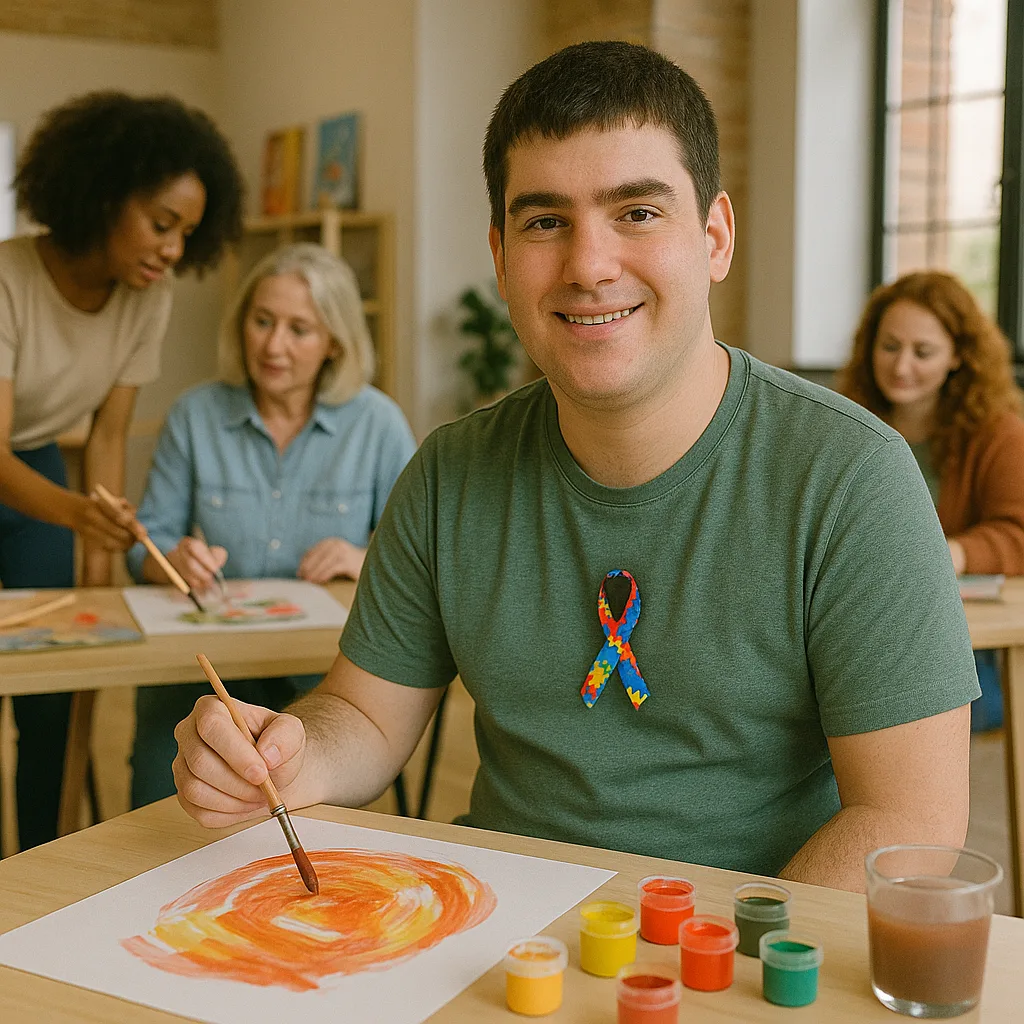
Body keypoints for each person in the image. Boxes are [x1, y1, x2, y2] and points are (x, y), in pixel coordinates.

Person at [171, 42, 977, 892]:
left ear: (714, 237)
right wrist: (287, 759)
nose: (589, 266)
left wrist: (714, 967)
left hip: (737, 967)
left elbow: (910, 821)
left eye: (637, 212)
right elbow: (365, 714)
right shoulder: (450, 473)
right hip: (500, 948)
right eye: (545, 221)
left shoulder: (853, 477)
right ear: (501, 255)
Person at [0, 91, 243, 849]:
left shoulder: (148, 295)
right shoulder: (8, 277)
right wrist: (78, 515)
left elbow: (109, 435)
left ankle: (35, 867)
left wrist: (102, 559)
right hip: (18, 466)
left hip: (36, 466)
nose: (173, 249)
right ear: (102, 195)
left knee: (53, 693)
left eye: (187, 234)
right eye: (160, 223)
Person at [127, 243, 416, 807]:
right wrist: (171, 559)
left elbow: (420, 555)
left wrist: (364, 558)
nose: (273, 345)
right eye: (262, 321)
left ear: (334, 342)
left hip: (328, 661)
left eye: (298, 329)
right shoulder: (194, 414)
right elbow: (146, 542)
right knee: (162, 773)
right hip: (209, 664)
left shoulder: (378, 423)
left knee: (305, 783)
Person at [839, 270, 1024, 729]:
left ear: (959, 356)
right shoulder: (841, 424)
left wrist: (952, 553)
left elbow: (1018, 532)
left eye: (923, 352)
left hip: (962, 650)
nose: (901, 367)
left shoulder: (999, 435)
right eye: (889, 347)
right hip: (852, 627)